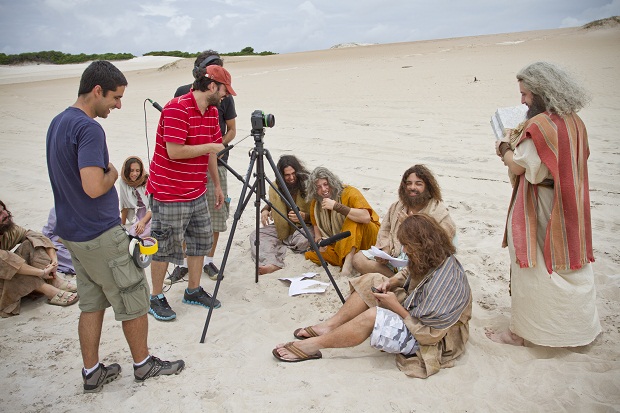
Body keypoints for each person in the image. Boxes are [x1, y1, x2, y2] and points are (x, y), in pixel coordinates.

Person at [46, 61, 184, 393]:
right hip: (98, 233)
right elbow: (94, 185)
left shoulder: (58, 122)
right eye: (116, 97)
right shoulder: (89, 128)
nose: (118, 105)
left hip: (73, 233)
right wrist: (110, 172)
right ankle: (143, 364)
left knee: (91, 303)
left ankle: (92, 371)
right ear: (97, 91)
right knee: (133, 294)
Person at [273, 214, 472, 379]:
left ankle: (312, 346)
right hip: (417, 310)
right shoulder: (432, 255)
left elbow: (428, 335)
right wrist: (390, 282)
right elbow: (408, 272)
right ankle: (330, 326)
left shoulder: (444, 283)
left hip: (435, 340)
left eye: (407, 246)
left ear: (422, 244)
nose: (404, 250)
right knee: (374, 281)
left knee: (375, 315)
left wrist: (395, 306)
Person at [487, 61, 601, 347]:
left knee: (534, 268)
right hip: (569, 201)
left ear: (541, 92)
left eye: (526, 94)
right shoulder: (574, 120)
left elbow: (524, 167)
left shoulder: (540, 124)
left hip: (540, 205)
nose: (522, 100)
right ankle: (580, 330)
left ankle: (523, 333)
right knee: (571, 265)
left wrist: (503, 148)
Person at [145, 59, 235, 321]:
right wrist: (209, 148)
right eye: (224, 89)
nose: (226, 95)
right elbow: (174, 151)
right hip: (169, 191)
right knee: (164, 246)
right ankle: (156, 297)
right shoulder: (177, 108)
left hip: (197, 191)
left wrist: (216, 186)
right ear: (210, 85)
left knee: (200, 240)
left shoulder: (211, 113)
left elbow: (209, 152)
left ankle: (193, 290)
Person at [167, 50, 237, 283]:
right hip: (189, 166)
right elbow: (174, 144)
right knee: (187, 218)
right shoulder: (181, 96)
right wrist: (207, 147)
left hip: (216, 162)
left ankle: (208, 260)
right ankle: (185, 262)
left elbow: (231, 130)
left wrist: (216, 146)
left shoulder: (222, 100)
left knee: (216, 214)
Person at [353, 165, 456, 278]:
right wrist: (385, 250)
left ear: (428, 187)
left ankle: (400, 281)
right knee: (358, 259)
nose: (412, 187)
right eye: (409, 183)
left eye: (418, 184)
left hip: (419, 261)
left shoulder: (438, 211)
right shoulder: (397, 207)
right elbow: (385, 230)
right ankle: (397, 280)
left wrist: (411, 225)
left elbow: (439, 246)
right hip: (394, 257)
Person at [1, 200, 78, 316]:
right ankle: (47, 289)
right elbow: (6, 261)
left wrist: (54, 261)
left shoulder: (6, 230)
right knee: (8, 260)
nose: (6, 214)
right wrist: (40, 273)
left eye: (4, 210)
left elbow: (36, 236)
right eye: (0, 214)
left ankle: (53, 279)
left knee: (30, 242)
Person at [304, 167, 380, 275]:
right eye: (318, 187)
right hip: (342, 243)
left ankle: (347, 265)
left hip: (368, 236)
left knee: (352, 220)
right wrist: (321, 243)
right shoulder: (316, 204)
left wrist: (336, 206)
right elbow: (317, 234)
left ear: (332, 182)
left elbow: (366, 217)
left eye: (326, 184)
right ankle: (348, 259)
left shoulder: (349, 192)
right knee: (311, 254)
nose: (324, 189)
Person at [250, 155, 312, 274]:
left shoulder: (307, 184)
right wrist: (265, 209)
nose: (291, 177)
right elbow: (274, 200)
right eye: (287, 175)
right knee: (256, 235)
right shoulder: (277, 185)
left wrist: (304, 216)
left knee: (304, 239)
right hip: (283, 226)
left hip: (304, 226)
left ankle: (282, 246)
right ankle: (273, 262)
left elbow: (318, 211)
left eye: (293, 173)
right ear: (281, 175)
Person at [119, 156, 151, 237]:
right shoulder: (123, 182)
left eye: (137, 171)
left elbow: (153, 206)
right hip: (138, 212)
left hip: (150, 212)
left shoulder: (147, 180)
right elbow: (124, 205)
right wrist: (122, 225)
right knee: (134, 232)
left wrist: (143, 222)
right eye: (131, 170)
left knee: (146, 231)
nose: (135, 174)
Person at [42, 207, 76, 275]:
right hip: (67, 244)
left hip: (92, 244)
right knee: (51, 250)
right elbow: (50, 235)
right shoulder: (57, 209)